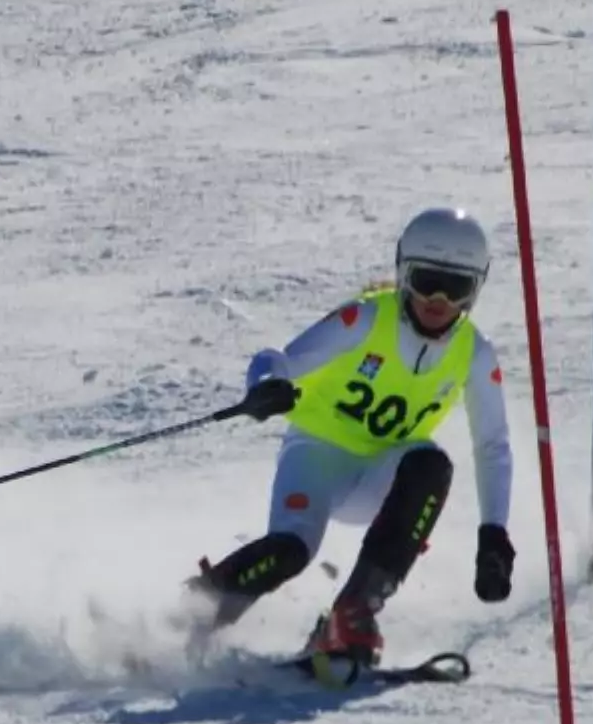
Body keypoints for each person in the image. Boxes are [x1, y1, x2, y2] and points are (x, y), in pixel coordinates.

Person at [193, 207, 517, 668]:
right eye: (426, 281)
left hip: (383, 476)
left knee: (431, 464)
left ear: (476, 289)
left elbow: (493, 445)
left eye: (457, 287)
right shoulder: (365, 320)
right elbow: (277, 359)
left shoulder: (475, 353)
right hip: (318, 455)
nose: (438, 299)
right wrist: (267, 385)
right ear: (404, 274)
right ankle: (188, 615)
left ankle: (352, 613)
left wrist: (494, 535)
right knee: (290, 550)